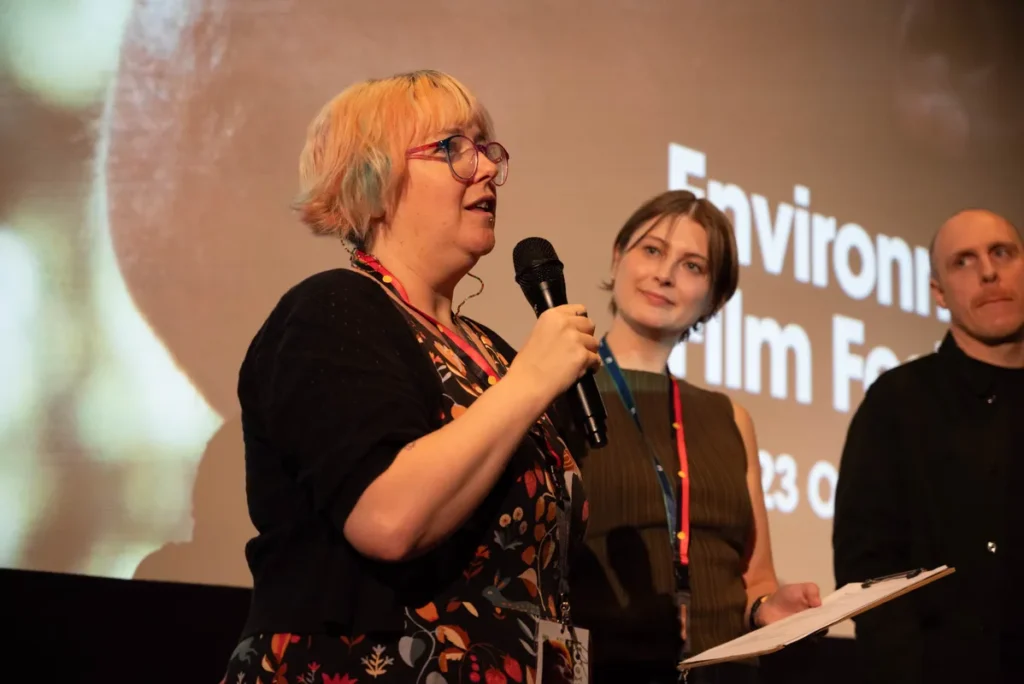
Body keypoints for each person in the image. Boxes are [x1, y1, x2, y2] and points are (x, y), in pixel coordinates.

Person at [220, 70, 600, 684]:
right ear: (373, 178)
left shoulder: (492, 354)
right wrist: (531, 382)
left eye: (484, 147)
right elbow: (387, 518)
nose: (484, 168)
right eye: (451, 148)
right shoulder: (332, 309)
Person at [568, 190, 821, 684]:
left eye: (693, 266)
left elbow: (756, 580)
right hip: (606, 669)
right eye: (652, 250)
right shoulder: (557, 389)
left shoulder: (729, 417)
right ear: (618, 255)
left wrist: (768, 606)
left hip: (726, 672)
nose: (665, 274)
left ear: (715, 297)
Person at [833, 208, 1024, 684]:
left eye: (1002, 252)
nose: (988, 271)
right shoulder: (898, 402)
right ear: (939, 293)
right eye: (964, 261)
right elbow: (867, 565)